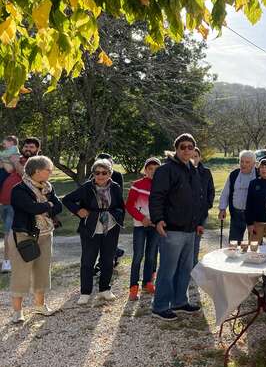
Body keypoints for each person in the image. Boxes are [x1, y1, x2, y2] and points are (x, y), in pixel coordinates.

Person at [149, 133, 204, 321]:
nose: (187, 150)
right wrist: (158, 219)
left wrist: (199, 222)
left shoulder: (193, 170)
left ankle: (180, 301)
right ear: (176, 149)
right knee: (168, 269)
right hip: (171, 228)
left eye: (190, 147)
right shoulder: (166, 170)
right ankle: (160, 305)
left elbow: (197, 199)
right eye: (183, 147)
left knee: (185, 269)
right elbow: (156, 197)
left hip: (190, 230)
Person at [8, 156, 62, 323]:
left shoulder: (48, 187)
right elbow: (31, 208)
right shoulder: (18, 190)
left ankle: (40, 305)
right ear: (37, 171)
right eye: (49, 170)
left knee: (42, 271)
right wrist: (48, 206)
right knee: (21, 273)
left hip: (46, 234)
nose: (51, 173)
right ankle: (18, 312)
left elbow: (59, 206)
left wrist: (47, 206)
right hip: (24, 235)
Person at [63, 159, 125, 305]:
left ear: (110, 174)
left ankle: (105, 289)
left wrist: (117, 216)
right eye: (97, 173)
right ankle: (85, 292)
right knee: (87, 261)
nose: (101, 176)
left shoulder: (115, 187)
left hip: (110, 227)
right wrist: (78, 210)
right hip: (90, 228)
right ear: (93, 174)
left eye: (104, 173)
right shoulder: (86, 187)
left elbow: (121, 206)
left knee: (108, 260)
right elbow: (67, 200)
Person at [1, 137, 41, 274]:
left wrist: (15, 162)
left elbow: (26, 175)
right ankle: (12, 261)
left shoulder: (36, 162)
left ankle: (9, 262)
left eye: (32, 147)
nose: (28, 149)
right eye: (26, 146)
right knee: (10, 233)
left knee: (11, 233)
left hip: (18, 203)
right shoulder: (19, 158)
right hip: (5, 202)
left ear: (37, 150)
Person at [125, 157, 161, 301]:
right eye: (150, 169)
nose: (152, 172)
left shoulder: (162, 186)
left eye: (156, 169)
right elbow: (129, 205)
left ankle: (148, 283)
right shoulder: (137, 185)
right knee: (138, 256)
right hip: (140, 226)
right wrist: (142, 218)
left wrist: (157, 221)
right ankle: (133, 287)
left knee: (151, 256)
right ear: (145, 170)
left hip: (155, 226)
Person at [218, 151, 259, 243]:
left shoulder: (259, 175)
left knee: (254, 244)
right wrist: (222, 208)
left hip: (254, 215)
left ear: (253, 164)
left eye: (247, 162)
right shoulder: (234, 174)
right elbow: (225, 192)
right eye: (241, 161)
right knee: (234, 243)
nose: (243, 164)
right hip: (236, 214)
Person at [192, 148, 214, 265]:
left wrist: (207, 205)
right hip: (187, 214)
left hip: (202, 214)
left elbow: (211, 191)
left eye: (196, 156)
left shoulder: (206, 172)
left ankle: (194, 266)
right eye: (191, 156)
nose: (193, 159)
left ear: (200, 158)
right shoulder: (183, 172)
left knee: (196, 242)